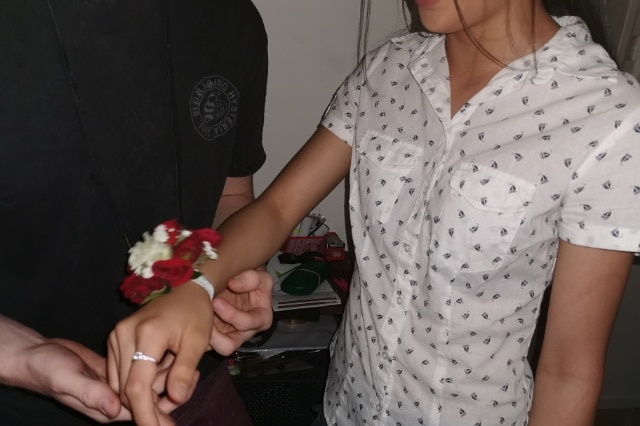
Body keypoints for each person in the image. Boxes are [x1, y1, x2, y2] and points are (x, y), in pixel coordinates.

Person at [108, 0, 640, 425]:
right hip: (345, 406)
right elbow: (276, 208)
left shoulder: (609, 117)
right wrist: (197, 287)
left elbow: (568, 369)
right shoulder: (388, 69)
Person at [0, 0, 273, 425]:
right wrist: (21, 357)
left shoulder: (235, 19)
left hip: (188, 385)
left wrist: (227, 279)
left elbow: (231, 198)